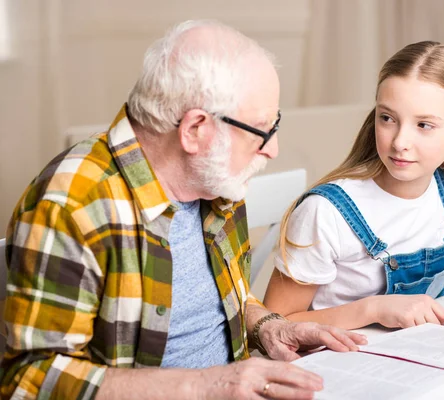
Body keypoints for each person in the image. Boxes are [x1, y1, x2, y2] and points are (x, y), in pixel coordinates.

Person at [0, 20, 367, 400]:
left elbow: (216, 305)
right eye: (261, 131)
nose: (271, 149)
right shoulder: (72, 205)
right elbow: (30, 381)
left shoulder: (215, 182)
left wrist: (269, 328)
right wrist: (203, 386)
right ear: (194, 129)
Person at [263, 41, 444, 346]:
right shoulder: (325, 212)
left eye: (424, 125)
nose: (400, 141)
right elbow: (273, 326)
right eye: (388, 118)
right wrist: (372, 309)